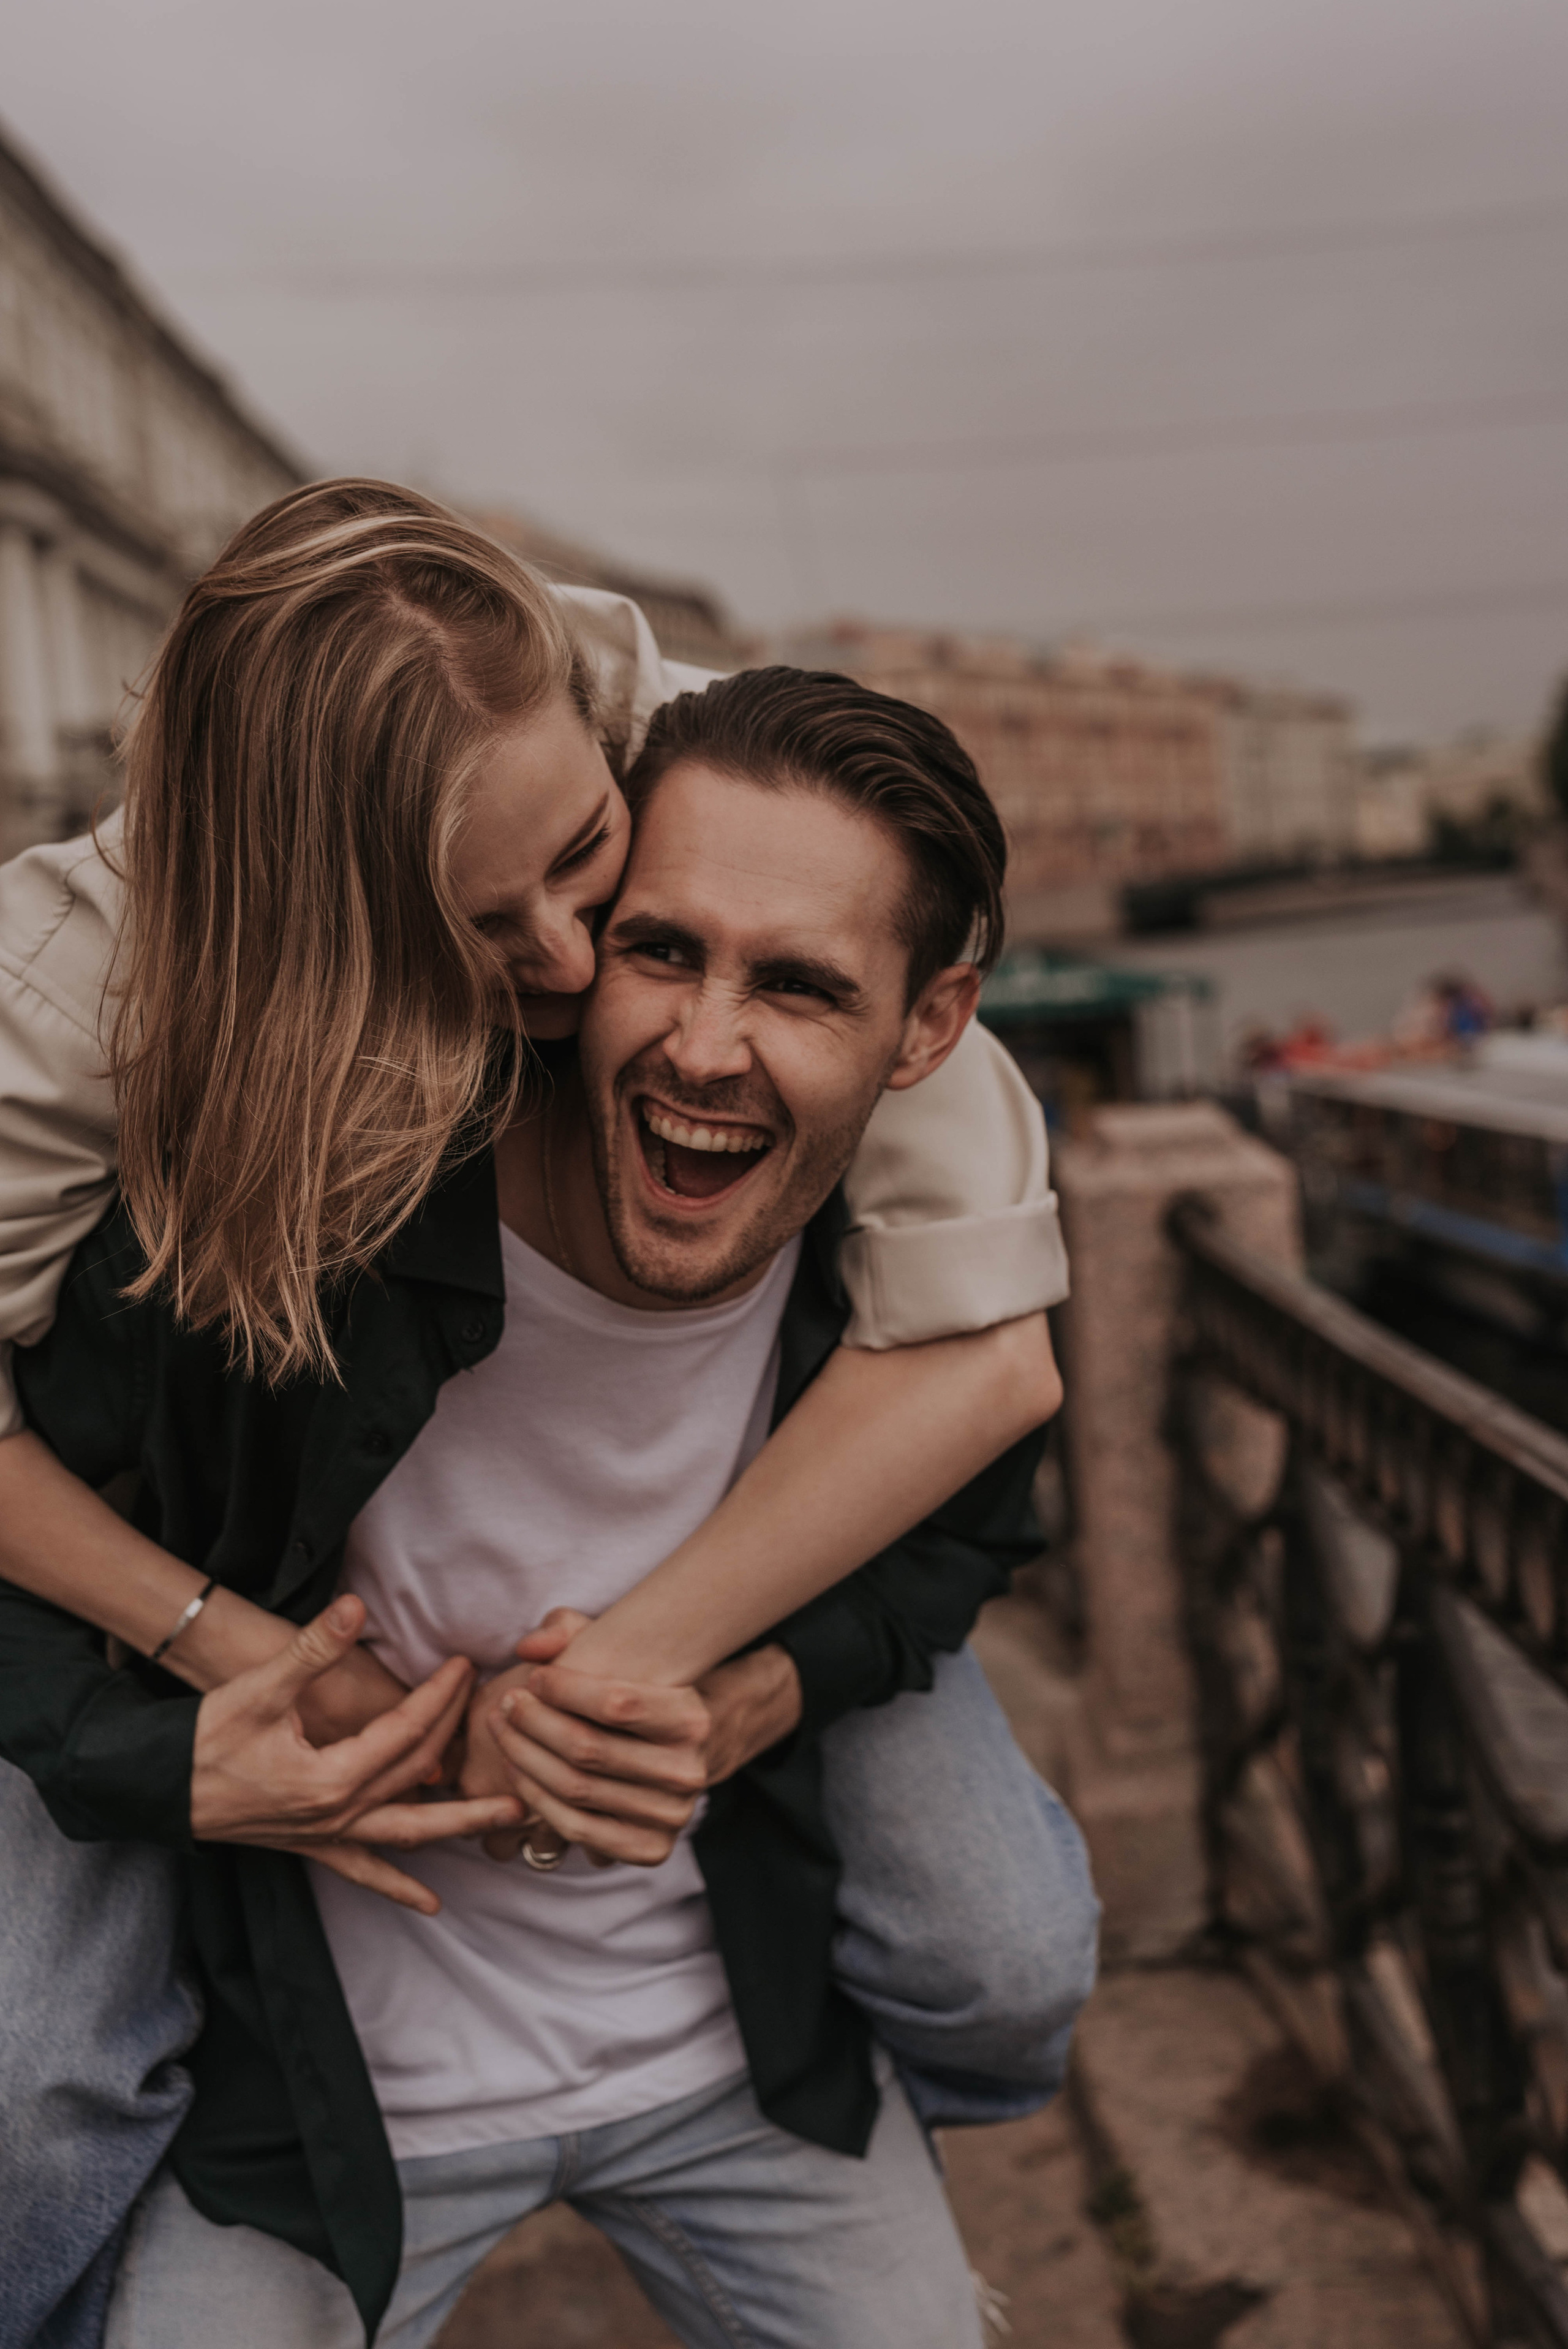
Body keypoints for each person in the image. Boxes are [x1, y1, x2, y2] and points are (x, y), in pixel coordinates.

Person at [0, 485, 1088, 2344]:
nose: (585, 973)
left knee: (1005, 1950)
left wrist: (706, 1680)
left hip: (725, 2024)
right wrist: (213, 1695)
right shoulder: (126, 1036)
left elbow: (994, 1377)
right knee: (33, 2090)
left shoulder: (719, 792)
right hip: (333, 2071)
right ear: (339, 946)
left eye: (593, 870)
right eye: (486, 925)